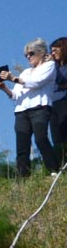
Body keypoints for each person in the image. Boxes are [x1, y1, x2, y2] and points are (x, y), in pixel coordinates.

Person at [0, 38, 59, 176]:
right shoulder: (25, 73)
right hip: (21, 111)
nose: (28, 57)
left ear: (41, 52)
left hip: (40, 108)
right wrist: (5, 88)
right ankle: (22, 176)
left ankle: (54, 169)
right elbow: (15, 95)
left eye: (31, 53)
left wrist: (14, 78)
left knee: (41, 138)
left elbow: (37, 82)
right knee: (22, 145)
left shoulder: (49, 66)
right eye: (26, 55)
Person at [49, 37, 67, 170]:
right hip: (53, 102)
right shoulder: (53, 67)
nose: (53, 53)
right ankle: (61, 164)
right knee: (56, 134)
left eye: (56, 50)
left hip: (65, 101)